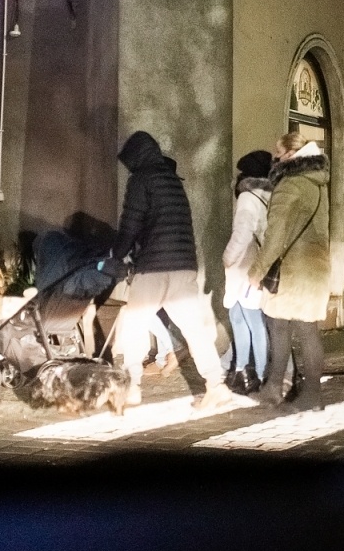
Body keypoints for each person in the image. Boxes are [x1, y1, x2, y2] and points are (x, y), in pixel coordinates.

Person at [108, 131, 225, 408]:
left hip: (153, 267)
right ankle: (216, 384)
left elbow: (131, 223)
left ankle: (133, 387)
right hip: (183, 266)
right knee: (194, 330)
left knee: (134, 325)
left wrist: (117, 254)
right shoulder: (173, 179)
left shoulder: (141, 179)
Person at [246, 135, 331, 410]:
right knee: (298, 328)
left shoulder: (289, 185)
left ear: (291, 155)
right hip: (315, 266)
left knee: (287, 328)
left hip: (293, 269)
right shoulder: (317, 182)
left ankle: (305, 395)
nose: (275, 159)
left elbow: (275, 234)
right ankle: (280, 389)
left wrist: (257, 270)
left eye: (278, 154)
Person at [221, 150, 274, 394]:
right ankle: (256, 372)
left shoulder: (247, 197)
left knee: (243, 320)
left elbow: (242, 233)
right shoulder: (269, 195)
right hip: (259, 263)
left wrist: (228, 257)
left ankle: (247, 371)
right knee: (253, 321)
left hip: (243, 265)